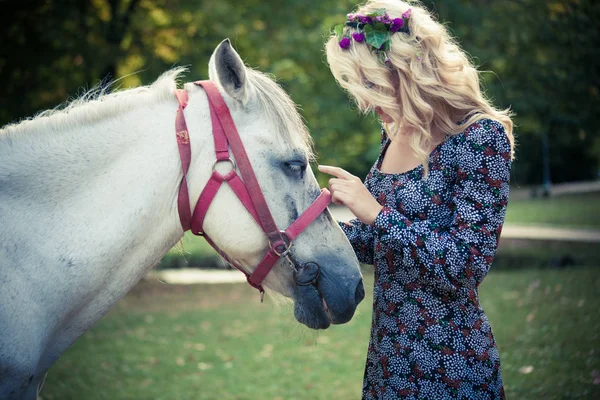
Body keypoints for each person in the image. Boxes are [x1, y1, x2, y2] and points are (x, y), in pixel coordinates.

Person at [317, 1, 514, 399]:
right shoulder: (394, 132)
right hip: (389, 362)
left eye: (370, 85)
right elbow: (385, 245)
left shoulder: (479, 138)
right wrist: (318, 228)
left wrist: (375, 213)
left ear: (406, 72)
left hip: (450, 364)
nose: (365, 103)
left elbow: (466, 264)